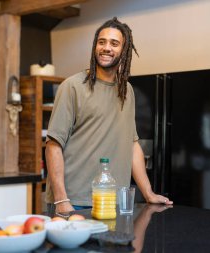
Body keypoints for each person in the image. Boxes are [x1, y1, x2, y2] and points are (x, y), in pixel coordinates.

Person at [45, 17, 173, 214]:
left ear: (124, 50)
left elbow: (132, 145)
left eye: (114, 43)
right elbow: (53, 144)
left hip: (113, 202)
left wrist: (148, 193)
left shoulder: (126, 91)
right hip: (75, 201)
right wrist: (62, 199)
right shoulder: (72, 86)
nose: (106, 48)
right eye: (101, 41)